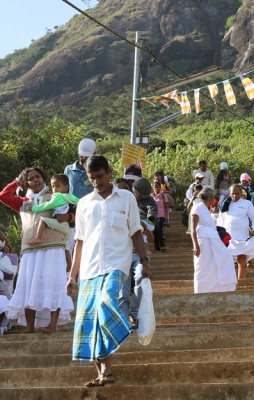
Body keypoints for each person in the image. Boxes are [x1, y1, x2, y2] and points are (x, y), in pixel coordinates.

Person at [68, 155, 152, 387]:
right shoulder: (84, 204)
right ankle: (104, 372)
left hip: (117, 265)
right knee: (90, 321)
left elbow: (136, 231)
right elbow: (80, 242)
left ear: (109, 172)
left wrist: (144, 261)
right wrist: (72, 275)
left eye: (101, 176)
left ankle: (121, 336)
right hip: (90, 269)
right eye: (92, 178)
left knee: (107, 305)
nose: (97, 182)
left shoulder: (126, 198)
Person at [0, 166, 74, 334]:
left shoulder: (54, 196)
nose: (35, 180)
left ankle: (52, 324)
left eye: (38, 176)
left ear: (44, 178)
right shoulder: (24, 202)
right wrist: (16, 181)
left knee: (54, 284)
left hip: (53, 246)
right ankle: (30, 327)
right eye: (30, 179)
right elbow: (3, 196)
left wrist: (69, 217)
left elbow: (74, 214)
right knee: (28, 286)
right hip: (29, 248)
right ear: (26, 183)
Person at [121, 177, 157, 325]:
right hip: (122, 254)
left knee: (140, 277)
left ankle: (134, 313)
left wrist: (144, 226)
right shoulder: (122, 207)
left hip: (138, 255)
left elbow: (151, 238)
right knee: (122, 289)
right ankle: (123, 317)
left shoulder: (145, 207)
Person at [191, 187, 237, 294]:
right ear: (209, 197)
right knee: (203, 266)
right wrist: (195, 245)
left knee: (226, 258)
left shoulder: (207, 209)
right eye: (213, 197)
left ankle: (220, 288)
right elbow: (193, 228)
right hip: (203, 240)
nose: (214, 199)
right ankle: (201, 290)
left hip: (214, 240)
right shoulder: (197, 207)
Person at [219, 184, 254, 279]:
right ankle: (228, 283)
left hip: (243, 237)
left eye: (237, 193)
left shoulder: (247, 204)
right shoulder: (225, 204)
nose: (234, 196)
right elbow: (220, 220)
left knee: (241, 261)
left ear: (241, 193)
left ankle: (241, 283)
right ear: (229, 193)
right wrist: (220, 234)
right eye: (232, 194)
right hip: (228, 238)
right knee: (226, 262)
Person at [27, 174, 78, 247]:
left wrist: (33, 208)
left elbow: (46, 205)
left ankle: (38, 237)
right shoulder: (69, 196)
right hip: (69, 227)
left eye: (57, 186)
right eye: (53, 186)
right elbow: (80, 202)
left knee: (43, 220)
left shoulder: (57, 197)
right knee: (66, 249)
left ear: (66, 187)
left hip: (62, 224)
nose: (55, 189)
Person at [151, 180, 170, 252]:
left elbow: (166, 206)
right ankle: (156, 247)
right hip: (153, 215)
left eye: (157, 187)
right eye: (154, 187)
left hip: (161, 214)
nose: (156, 188)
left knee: (159, 228)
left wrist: (166, 216)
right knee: (154, 230)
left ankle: (162, 245)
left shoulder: (163, 195)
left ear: (160, 187)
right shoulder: (151, 196)